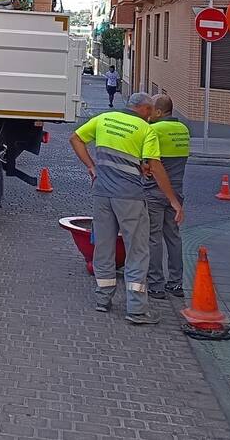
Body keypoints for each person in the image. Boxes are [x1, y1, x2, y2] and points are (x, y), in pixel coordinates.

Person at [70, 92, 184, 325]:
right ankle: (137, 309)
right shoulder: (145, 130)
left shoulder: (104, 119)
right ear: (143, 109)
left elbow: (75, 139)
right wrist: (172, 200)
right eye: (150, 112)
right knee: (138, 251)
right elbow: (155, 166)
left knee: (103, 247)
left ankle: (103, 299)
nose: (151, 116)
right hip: (130, 198)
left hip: (102, 195)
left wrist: (92, 167)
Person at [145, 94, 188, 300]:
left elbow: (148, 163)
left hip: (155, 191)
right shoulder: (183, 130)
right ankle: (176, 283)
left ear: (159, 112)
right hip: (177, 193)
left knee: (153, 238)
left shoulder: (153, 130)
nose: (148, 113)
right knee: (173, 237)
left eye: (151, 109)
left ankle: (155, 285)